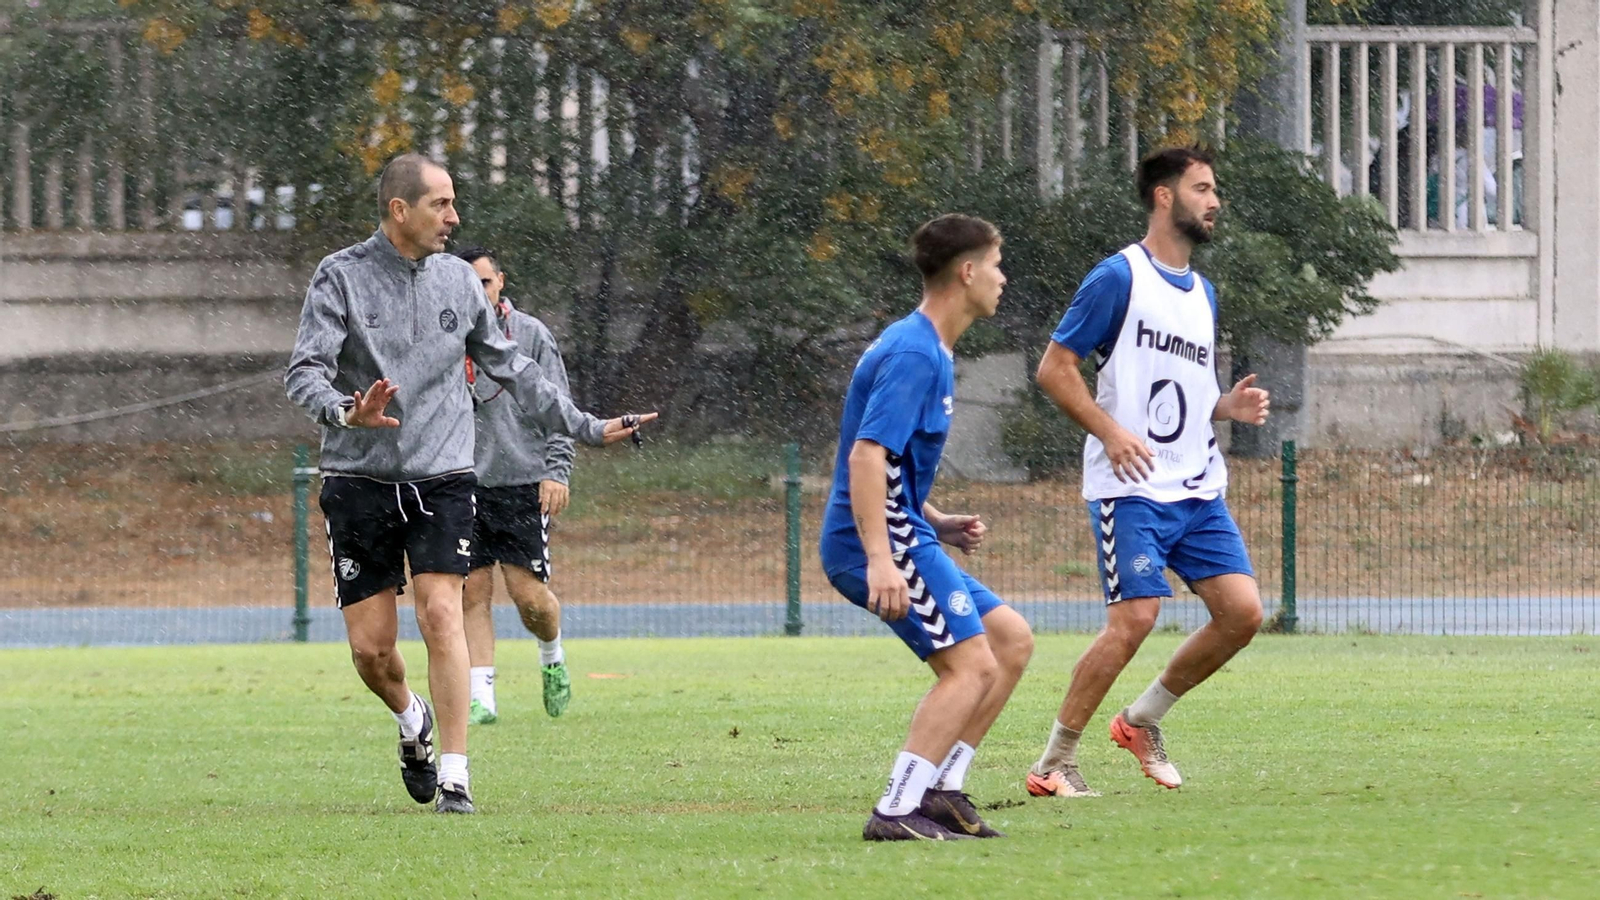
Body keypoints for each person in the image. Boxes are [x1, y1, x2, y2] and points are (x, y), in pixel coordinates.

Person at [285, 154, 654, 815]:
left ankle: (455, 776)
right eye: (440, 205)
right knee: (372, 651)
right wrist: (347, 410)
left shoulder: (460, 280)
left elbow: (516, 370)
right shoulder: (339, 276)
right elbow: (303, 373)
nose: (454, 217)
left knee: (441, 613)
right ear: (400, 210)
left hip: (446, 476)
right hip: (358, 477)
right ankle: (411, 718)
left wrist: (588, 428)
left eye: (454, 203)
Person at [1024, 146, 1269, 800]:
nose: (1214, 201)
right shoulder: (1118, 277)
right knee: (1136, 617)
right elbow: (1054, 368)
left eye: (1215, 189)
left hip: (1196, 488)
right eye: (1202, 188)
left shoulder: (1204, 294)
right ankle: (1053, 762)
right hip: (1129, 487)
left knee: (1243, 614)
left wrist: (1225, 406)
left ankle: (1141, 721)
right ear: (1164, 196)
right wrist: (1110, 432)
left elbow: (1180, 394)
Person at [819, 214, 1035, 841]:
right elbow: (865, 456)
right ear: (967, 272)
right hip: (878, 543)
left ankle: (942, 791)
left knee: (1011, 641)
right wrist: (881, 560)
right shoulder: (915, 352)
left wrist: (934, 518)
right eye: (996, 264)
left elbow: (893, 463)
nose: (1003, 277)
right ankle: (895, 809)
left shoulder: (927, 347)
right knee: (972, 668)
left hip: (905, 531)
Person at [454, 246, 575, 725]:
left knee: (528, 597)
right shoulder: (447, 336)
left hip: (524, 481)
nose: (477, 293)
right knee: (471, 592)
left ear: (500, 282)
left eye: (484, 282)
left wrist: (557, 470)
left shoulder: (531, 336)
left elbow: (559, 406)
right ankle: (482, 695)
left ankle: (551, 653)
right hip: (462, 484)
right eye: (468, 285)